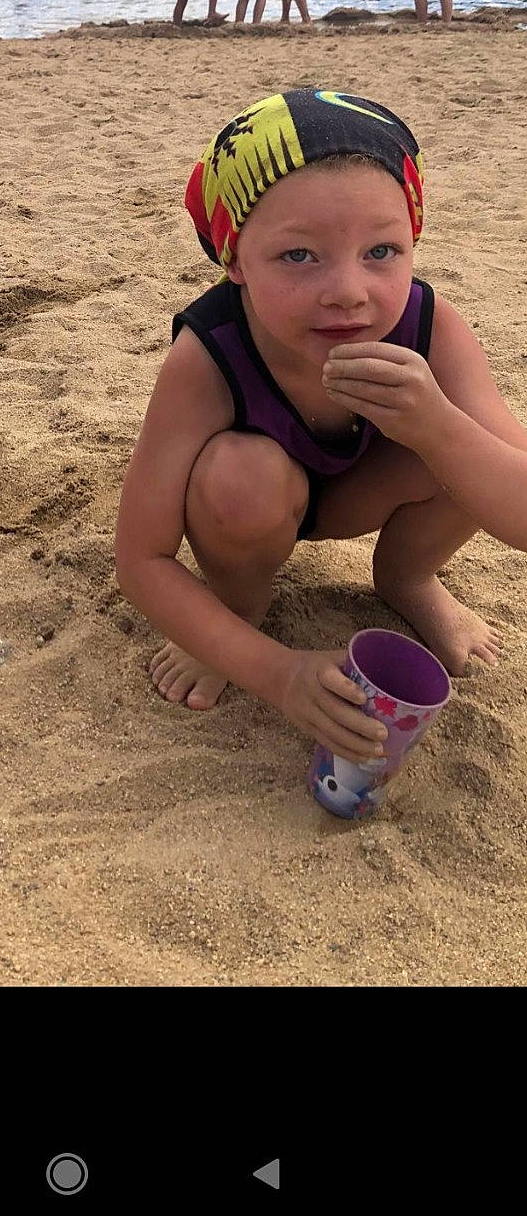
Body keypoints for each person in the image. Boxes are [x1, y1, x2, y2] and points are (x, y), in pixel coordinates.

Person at [114, 86, 525, 766]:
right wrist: (279, 673)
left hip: (365, 490)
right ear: (235, 260)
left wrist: (436, 429)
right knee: (240, 477)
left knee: (463, 452)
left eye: (382, 251)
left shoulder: (429, 326)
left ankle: (407, 578)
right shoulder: (208, 354)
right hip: (251, 504)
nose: (347, 291)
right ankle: (238, 610)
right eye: (298, 256)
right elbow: (141, 558)